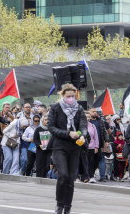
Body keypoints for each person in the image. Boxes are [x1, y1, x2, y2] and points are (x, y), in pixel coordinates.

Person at [47, 83, 88, 214]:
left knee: (71, 178)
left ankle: (68, 206)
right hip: (59, 145)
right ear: (63, 95)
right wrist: (68, 133)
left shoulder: (79, 109)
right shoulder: (55, 108)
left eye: (73, 96)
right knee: (63, 175)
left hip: (74, 147)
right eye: (68, 96)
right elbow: (51, 128)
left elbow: (83, 126)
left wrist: (82, 136)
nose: (71, 98)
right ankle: (59, 204)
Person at [33, 114, 52, 178]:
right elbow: (35, 139)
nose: (47, 121)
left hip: (49, 150)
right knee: (40, 164)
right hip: (40, 150)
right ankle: (39, 178)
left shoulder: (52, 129)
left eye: (48, 120)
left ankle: (47, 178)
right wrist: (39, 145)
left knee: (48, 164)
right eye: (46, 120)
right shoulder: (38, 129)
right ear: (42, 121)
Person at [86, 112, 100, 183]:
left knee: (91, 162)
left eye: (89, 117)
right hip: (82, 147)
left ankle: (91, 176)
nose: (88, 118)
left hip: (91, 147)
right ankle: (83, 176)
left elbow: (96, 137)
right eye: (86, 117)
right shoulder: (80, 126)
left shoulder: (92, 126)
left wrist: (96, 146)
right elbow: (78, 134)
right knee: (83, 162)